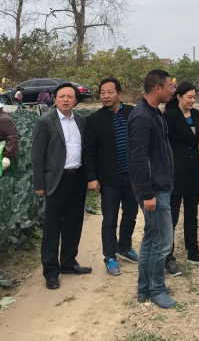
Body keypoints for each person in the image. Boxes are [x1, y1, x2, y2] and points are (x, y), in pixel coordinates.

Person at [31, 83, 91, 290]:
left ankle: (68, 262)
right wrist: (39, 184)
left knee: (74, 223)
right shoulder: (45, 122)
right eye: (62, 96)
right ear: (55, 99)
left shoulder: (81, 120)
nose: (66, 100)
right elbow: (37, 155)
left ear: (75, 100)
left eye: (70, 96)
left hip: (77, 178)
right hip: (56, 179)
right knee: (52, 227)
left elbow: (86, 149)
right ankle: (51, 271)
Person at [128, 69, 176, 309]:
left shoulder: (153, 112)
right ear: (157, 88)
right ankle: (156, 289)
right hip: (154, 189)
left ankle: (145, 288)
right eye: (169, 87)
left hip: (159, 185)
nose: (171, 91)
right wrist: (147, 193)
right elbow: (138, 159)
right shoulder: (142, 117)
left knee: (151, 238)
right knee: (162, 242)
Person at [83, 77, 138, 278]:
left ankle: (125, 246)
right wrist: (91, 177)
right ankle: (109, 256)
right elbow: (88, 151)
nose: (105, 96)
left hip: (132, 177)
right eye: (102, 93)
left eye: (110, 92)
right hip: (109, 178)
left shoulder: (132, 113)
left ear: (119, 93)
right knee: (110, 218)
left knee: (131, 214)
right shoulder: (94, 120)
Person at [164, 82, 199, 277]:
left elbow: (195, 142)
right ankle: (168, 256)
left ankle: (193, 251)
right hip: (177, 171)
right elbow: (166, 145)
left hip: (194, 169)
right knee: (172, 216)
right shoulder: (169, 116)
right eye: (189, 97)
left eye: (195, 97)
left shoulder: (197, 114)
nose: (193, 100)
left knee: (192, 213)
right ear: (179, 96)